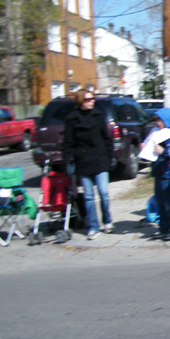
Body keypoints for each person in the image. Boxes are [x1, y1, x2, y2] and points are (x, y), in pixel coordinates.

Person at [62, 89, 114, 240]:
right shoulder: (72, 119)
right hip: (83, 161)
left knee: (103, 193)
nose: (92, 101)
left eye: (93, 99)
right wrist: (67, 161)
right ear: (80, 101)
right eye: (88, 99)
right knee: (89, 197)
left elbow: (106, 138)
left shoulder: (98, 115)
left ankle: (107, 221)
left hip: (100, 159)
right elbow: (67, 143)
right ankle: (93, 226)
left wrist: (111, 156)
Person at [146, 108, 170, 240]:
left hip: (168, 173)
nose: (157, 123)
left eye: (160, 120)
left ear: (167, 120)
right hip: (159, 171)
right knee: (160, 202)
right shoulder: (158, 132)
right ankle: (164, 228)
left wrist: (163, 151)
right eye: (156, 120)